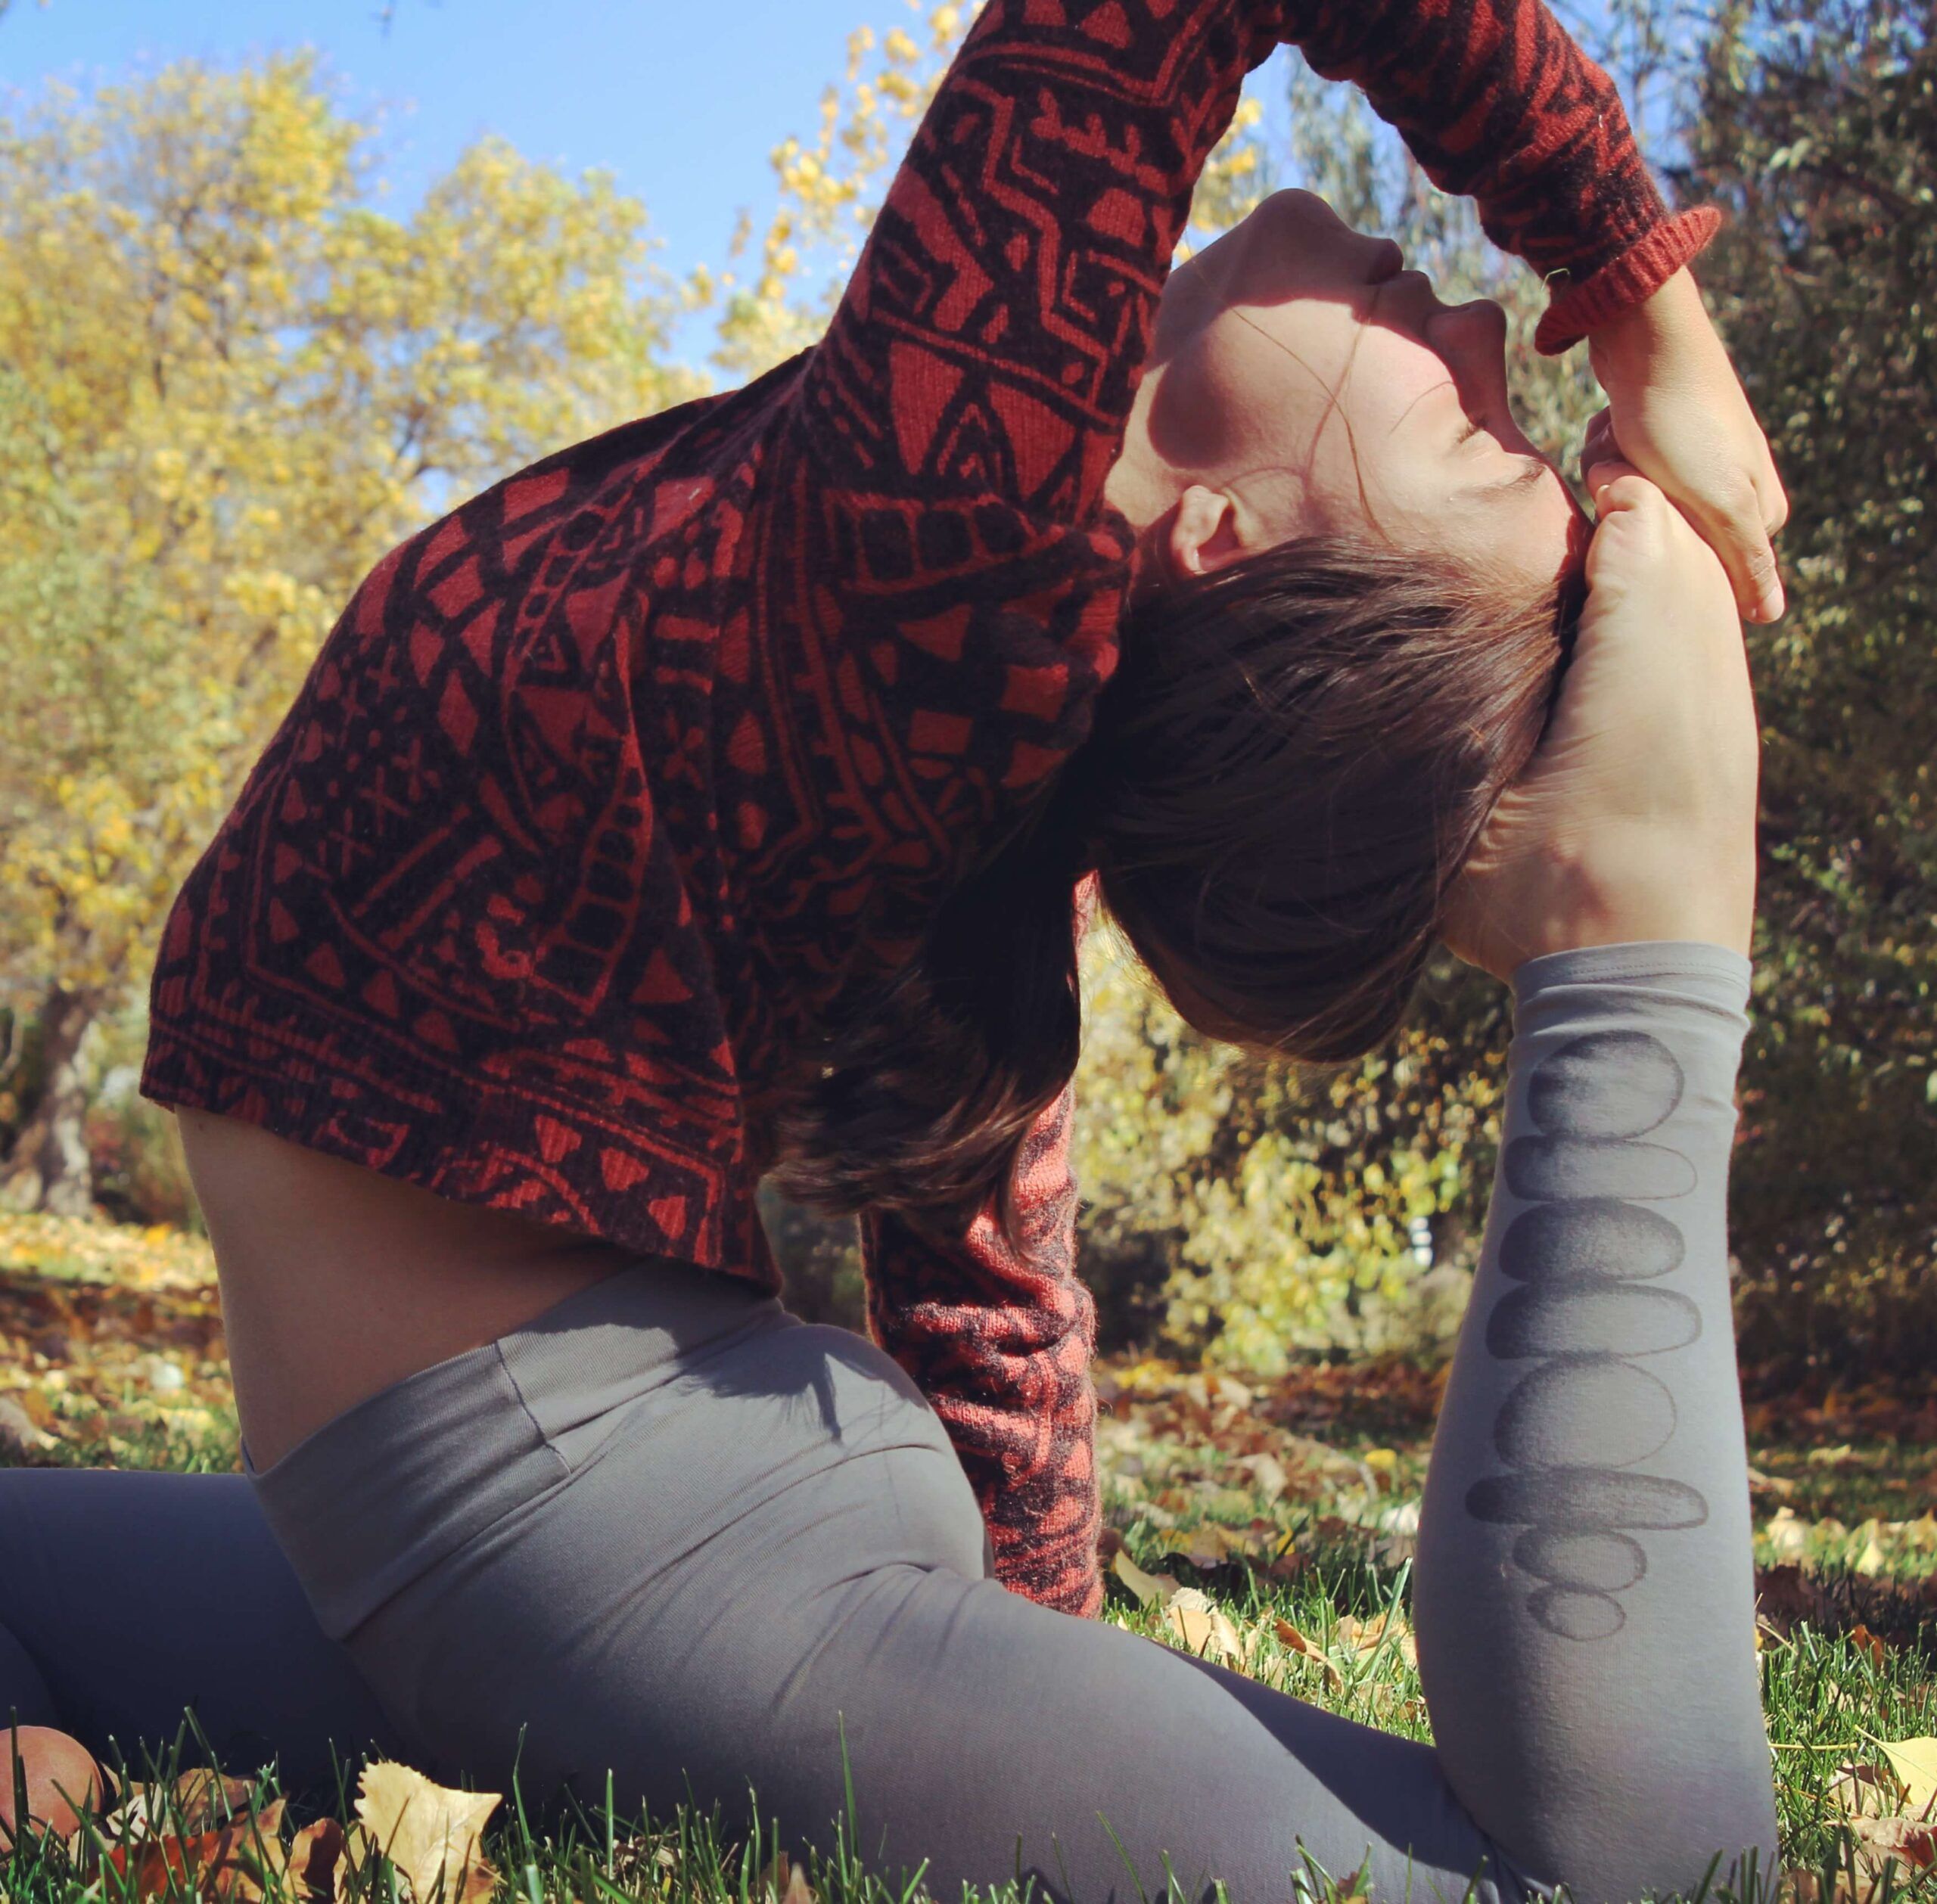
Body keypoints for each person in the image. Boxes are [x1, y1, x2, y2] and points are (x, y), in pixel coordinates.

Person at [1, 0, 1788, 1896]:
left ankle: (1638, 947)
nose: (1479, 331)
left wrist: (1633, 301)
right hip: (511, 1532)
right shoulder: (949, 736)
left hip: (626, 1536)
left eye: (1484, 443)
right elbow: (987, 1308)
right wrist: (1031, 1665)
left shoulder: (950, 546)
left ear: (1224, 541)